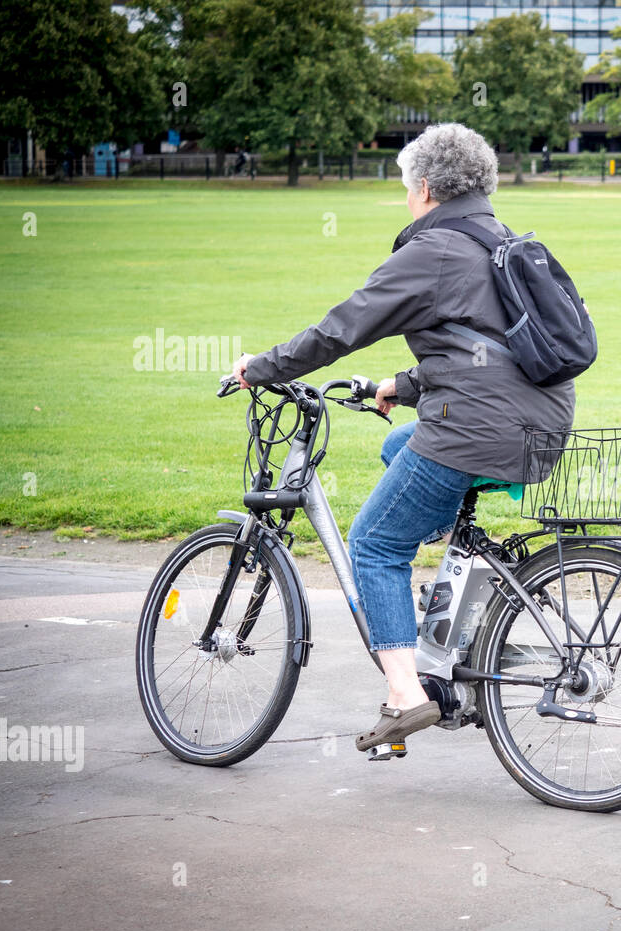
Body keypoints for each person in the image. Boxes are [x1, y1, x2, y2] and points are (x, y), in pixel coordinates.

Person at [231, 123, 578, 755]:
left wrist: (262, 367)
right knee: (399, 450)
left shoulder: (436, 248)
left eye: (403, 188)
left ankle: (405, 696)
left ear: (423, 187)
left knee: (374, 542)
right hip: (542, 425)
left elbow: (344, 327)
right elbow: (483, 349)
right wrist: (403, 384)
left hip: (476, 429)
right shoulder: (499, 239)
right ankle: (453, 597)